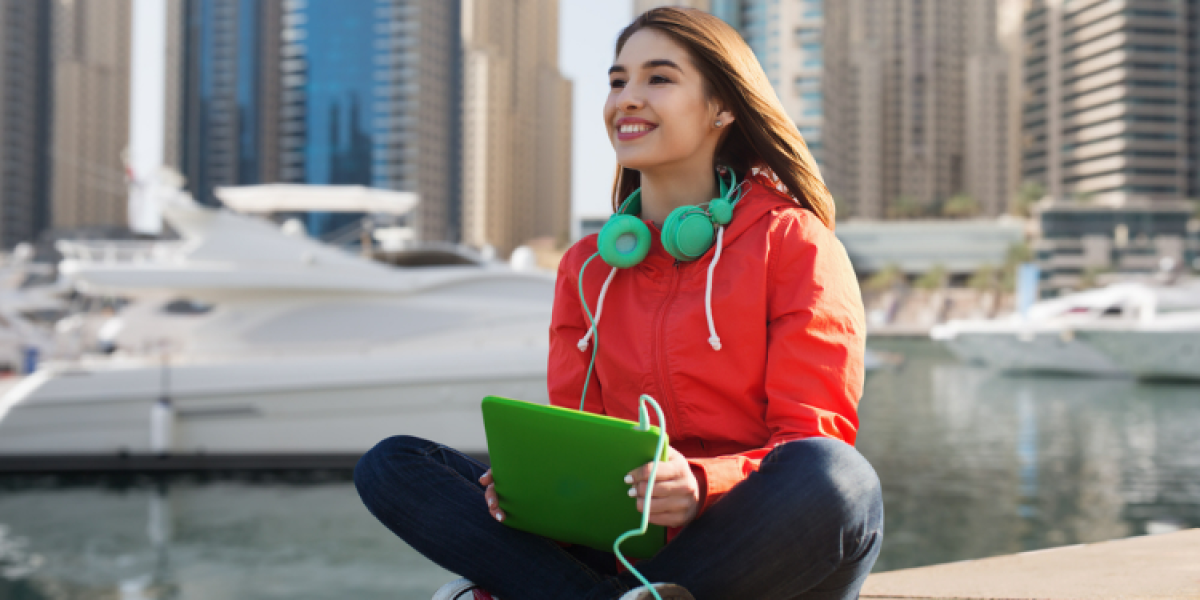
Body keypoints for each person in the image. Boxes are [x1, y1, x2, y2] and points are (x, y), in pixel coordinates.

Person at [354, 7, 883, 600]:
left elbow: (812, 435)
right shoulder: (587, 267)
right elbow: (582, 446)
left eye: (658, 78)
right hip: (628, 543)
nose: (627, 98)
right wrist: (535, 490)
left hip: (758, 540)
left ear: (723, 107)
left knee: (840, 477)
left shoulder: (792, 241)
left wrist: (701, 486)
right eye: (616, 81)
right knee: (392, 465)